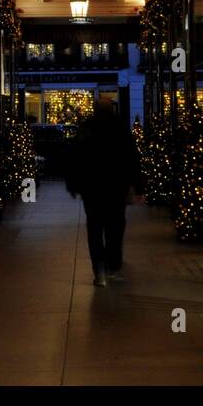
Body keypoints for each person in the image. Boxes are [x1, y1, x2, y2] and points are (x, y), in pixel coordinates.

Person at [66, 98, 143, 286]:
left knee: (95, 228)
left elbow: (75, 157)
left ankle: (99, 269)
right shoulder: (119, 129)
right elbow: (132, 158)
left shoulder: (87, 129)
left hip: (92, 188)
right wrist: (137, 184)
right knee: (115, 228)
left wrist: (74, 184)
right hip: (115, 187)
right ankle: (113, 267)